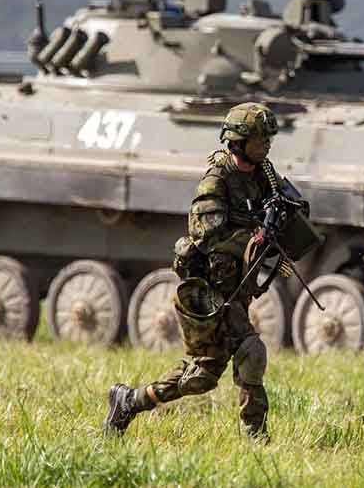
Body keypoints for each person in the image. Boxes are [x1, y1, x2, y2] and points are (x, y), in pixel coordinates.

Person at [104, 102, 284, 440]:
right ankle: (256, 438)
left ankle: (128, 401)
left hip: (236, 286)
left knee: (201, 377)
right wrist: (255, 236)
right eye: (262, 139)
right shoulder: (217, 180)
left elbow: (279, 207)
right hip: (210, 288)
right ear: (239, 141)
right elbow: (207, 233)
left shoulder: (263, 176)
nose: (268, 144)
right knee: (252, 350)